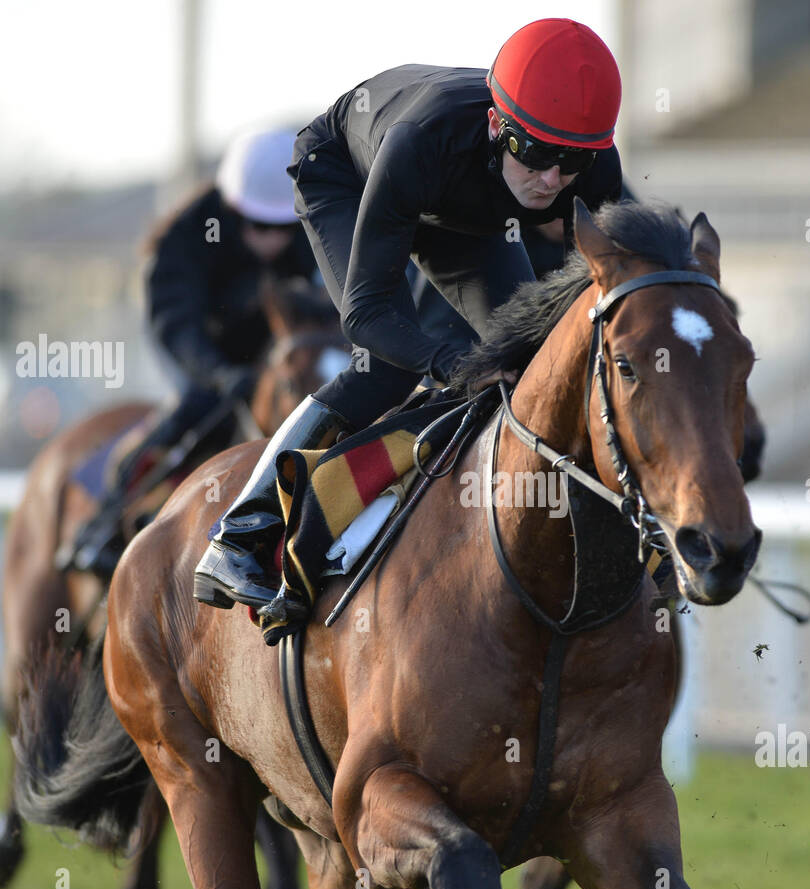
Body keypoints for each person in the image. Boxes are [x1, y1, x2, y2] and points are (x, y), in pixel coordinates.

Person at [194, 18, 626, 617]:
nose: (552, 179)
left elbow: (632, 278)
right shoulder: (422, 139)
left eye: (572, 161)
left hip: (458, 207)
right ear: (500, 126)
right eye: (536, 154)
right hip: (348, 172)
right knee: (388, 367)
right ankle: (242, 530)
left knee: (534, 361)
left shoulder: (592, 164)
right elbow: (367, 318)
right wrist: (448, 362)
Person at [60, 128, 321, 576]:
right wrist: (218, 373)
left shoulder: (309, 232)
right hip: (200, 348)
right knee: (200, 404)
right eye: (261, 226)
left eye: (285, 227)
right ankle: (102, 524)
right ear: (234, 210)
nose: (275, 240)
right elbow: (176, 325)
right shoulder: (185, 240)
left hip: (271, 357)